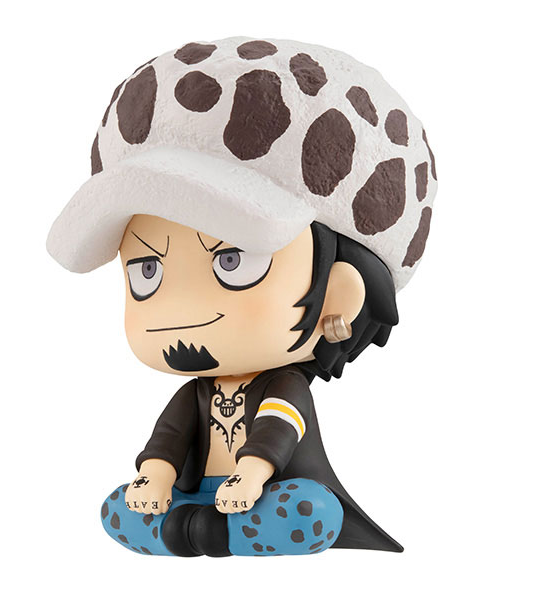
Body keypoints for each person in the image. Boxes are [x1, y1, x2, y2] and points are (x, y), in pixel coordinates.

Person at [47, 37, 437, 556]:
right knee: (119, 508)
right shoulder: (196, 394)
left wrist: (252, 476)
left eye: (231, 261)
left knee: (311, 512)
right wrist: (155, 476)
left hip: (264, 494)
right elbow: (168, 439)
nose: (179, 307)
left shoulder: (283, 386)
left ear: (339, 295)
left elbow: (277, 431)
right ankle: (199, 528)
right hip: (201, 496)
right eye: (147, 270)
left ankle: (206, 531)